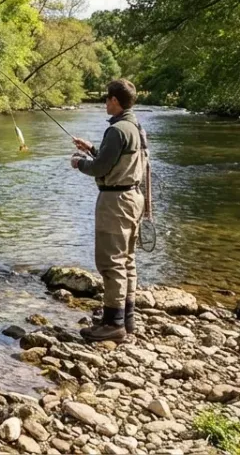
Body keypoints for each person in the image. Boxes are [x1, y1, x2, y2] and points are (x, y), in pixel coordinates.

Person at [70, 79, 150, 342]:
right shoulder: (135, 126)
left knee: (110, 262)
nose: (104, 102)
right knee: (127, 260)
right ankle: (127, 319)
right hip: (133, 198)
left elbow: (101, 168)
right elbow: (114, 160)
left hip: (115, 202)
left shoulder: (117, 130)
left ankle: (112, 325)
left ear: (115, 101)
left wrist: (80, 162)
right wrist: (92, 149)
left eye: (107, 98)